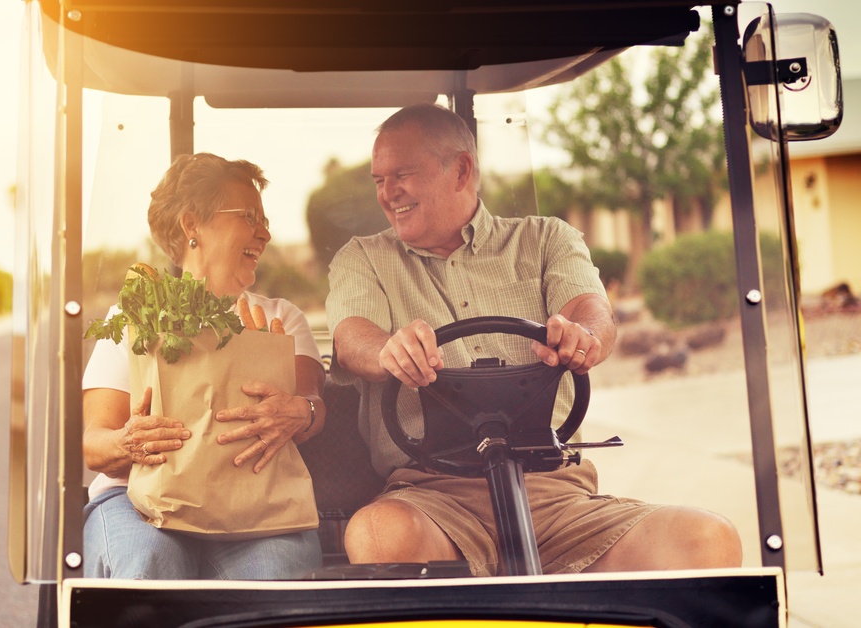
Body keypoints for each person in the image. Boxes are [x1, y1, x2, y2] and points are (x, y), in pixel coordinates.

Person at [326, 103, 742, 576]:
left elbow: (590, 311)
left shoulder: (546, 240)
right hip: (432, 497)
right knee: (378, 534)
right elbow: (350, 337)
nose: (387, 193)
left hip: (558, 494)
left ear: (461, 169)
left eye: (401, 174)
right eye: (379, 180)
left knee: (708, 540)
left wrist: (584, 337)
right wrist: (387, 350)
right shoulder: (364, 258)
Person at [81, 152, 326, 579]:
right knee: (147, 563)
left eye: (264, 219)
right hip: (136, 497)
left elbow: (313, 405)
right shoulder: (137, 318)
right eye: (249, 216)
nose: (265, 233)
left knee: (276, 573)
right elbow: (93, 444)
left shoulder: (281, 319)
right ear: (192, 225)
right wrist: (128, 443)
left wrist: (299, 411)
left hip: (255, 499)